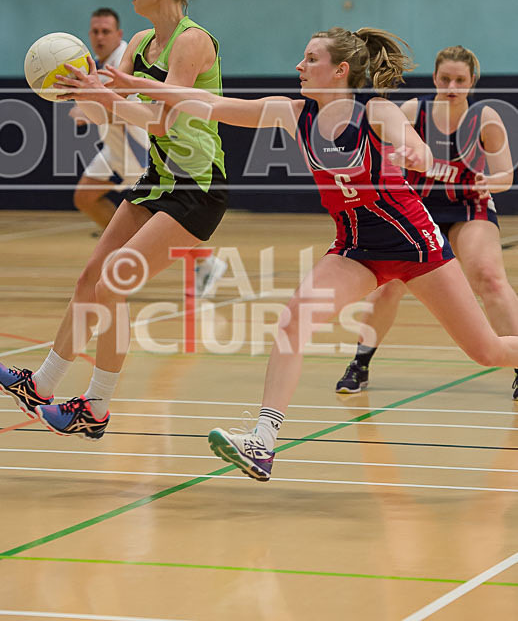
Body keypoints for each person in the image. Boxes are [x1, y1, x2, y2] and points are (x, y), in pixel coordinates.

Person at [104, 26, 518, 482]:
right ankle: (263, 442)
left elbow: (414, 144)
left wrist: (415, 153)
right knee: (292, 322)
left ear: (340, 70)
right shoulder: (292, 112)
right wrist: (132, 84)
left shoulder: (375, 112)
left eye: (311, 59)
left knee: (487, 350)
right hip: (355, 248)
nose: (299, 66)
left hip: (414, 245)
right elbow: (208, 104)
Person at [0, 0, 228, 438]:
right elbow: (104, 109)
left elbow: (161, 120)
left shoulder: (192, 41)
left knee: (112, 282)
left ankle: (95, 407)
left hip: (196, 186)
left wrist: (105, 94)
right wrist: (75, 87)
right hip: (157, 178)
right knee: (89, 278)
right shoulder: (138, 44)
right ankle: (41, 385)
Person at [335, 45, 518, 399]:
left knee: (489, 277)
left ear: (472, 81)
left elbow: (505, 176)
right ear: (434, 78)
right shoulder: (411, 111)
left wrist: (487, 181)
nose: (452, 86)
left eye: (460, 80)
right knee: (390, 283)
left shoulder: (485, 119)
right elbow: (379, 153)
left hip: (468, 207)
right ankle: (360, 363)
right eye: (445, 79)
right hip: (416, 209)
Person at [70, 7, 149, 232]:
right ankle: (122, 241)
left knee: (160, 217)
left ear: (118, 34)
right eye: (95, 32)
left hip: (137, 147)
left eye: (106, 31)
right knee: (85, 198)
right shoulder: (97, 64)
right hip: (114, 147)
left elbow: (130, 111)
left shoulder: (124, 62)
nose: (100, 37)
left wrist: (89, 114)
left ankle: (201, 258)